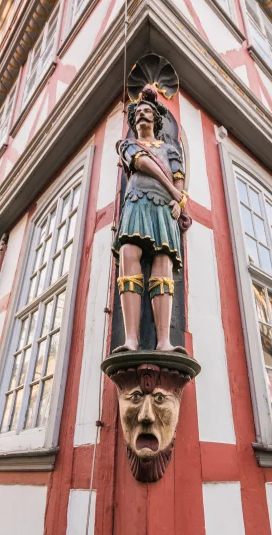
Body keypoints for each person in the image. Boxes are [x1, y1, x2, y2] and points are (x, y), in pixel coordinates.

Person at [113, 85, 188, 354]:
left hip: (163, 209)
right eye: (139, 113)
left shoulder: (170, 150)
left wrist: (178, 201)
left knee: (163, 266)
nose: (143, 115)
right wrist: (175, 194)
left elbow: (180, 180)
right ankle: (131, 338)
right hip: (136, 202)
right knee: (128, 257)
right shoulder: (127, 145)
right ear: (134, 122)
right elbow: (143, 163)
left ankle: (164, 341)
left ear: (156, 120)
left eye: (148, 112)